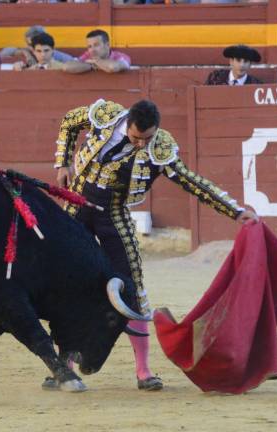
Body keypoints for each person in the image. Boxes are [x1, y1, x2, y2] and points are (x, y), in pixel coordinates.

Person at [53, 99, 258, 391]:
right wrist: (61, 163)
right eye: (136, 138)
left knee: (133, 288)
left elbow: (192, 181)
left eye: (147, 138)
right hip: (75, 208)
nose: (141, 145)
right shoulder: (106, 117)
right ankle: (64, 367)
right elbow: (69, 121)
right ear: (127, 125)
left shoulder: (159, 147)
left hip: (114, 215)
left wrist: (235, 211)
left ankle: (143, 370)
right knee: (66, 285)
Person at [0, 25, 75, 66]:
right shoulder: (29, 49)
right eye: (28, 44)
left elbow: (73, 62)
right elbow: (2, 55)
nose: (30, 47)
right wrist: (25, 52)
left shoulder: (54, 54)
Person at [64, 29, 131, 74]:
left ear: (107, 45)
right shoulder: (88, 55)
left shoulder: (121, 56)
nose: (92, 50)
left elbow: (112, 67)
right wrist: (91, 65)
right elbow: (67, 67)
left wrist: (96, 61)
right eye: (89, 46)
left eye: (96, 45)